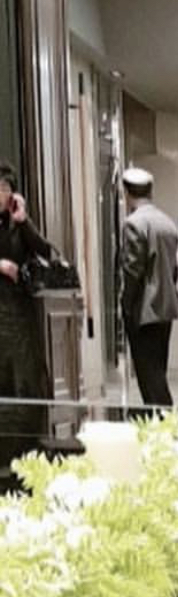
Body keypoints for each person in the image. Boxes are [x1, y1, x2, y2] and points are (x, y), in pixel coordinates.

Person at [0, 161, 52, 468]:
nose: (1, 194)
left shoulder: (18, 224)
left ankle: (25, 456)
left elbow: (46, 253)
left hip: (19, 313)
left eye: (6, 188)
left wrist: (24, 220)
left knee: (25, 380)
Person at [119, 166, 178, 408]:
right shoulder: (167, 222)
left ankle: (165, 421)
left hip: (143, 310)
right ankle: (163, 420)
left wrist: (126, 305)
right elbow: (174, 269)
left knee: (149, 376)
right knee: (158, 369)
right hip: (165, 307)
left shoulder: (133, 223)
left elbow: (132, 270)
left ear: (127, 193)